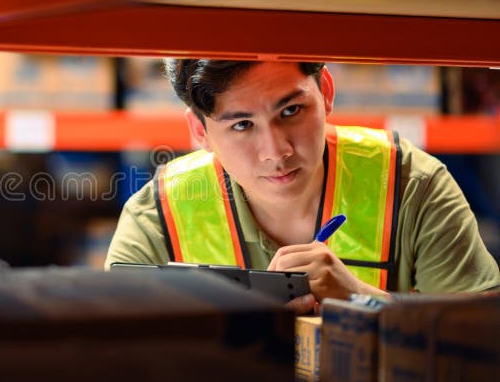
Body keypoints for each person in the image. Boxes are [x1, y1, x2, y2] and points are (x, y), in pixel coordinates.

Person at [105, 60, 500, 312]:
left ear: (325, 91)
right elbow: (113, 355)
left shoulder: (413, 184)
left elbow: (483, 343)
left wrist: (359, 299)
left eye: (291, 110)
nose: (276, 151)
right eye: (242, 125)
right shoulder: (159, 214)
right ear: (200, 131)